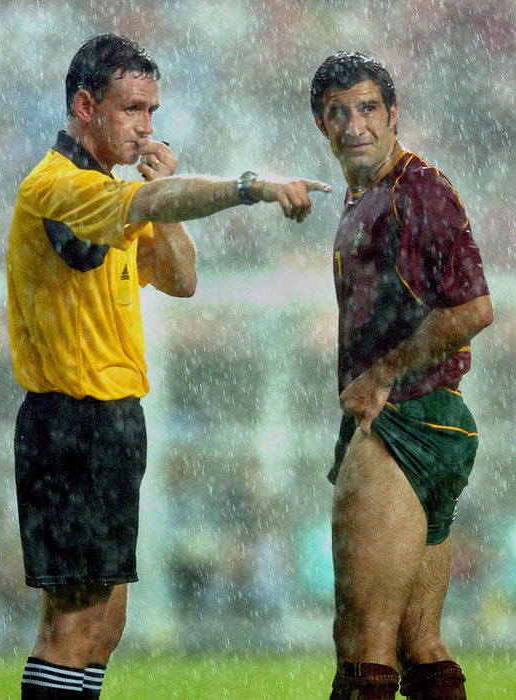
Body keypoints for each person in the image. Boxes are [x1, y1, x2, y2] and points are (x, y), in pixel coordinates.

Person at [7, 34, 331, 700]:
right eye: (132, 109)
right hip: (67, 421)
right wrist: (254, 186)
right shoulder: (57, 187)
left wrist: (162, 191)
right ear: (85, 105)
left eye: (152, 111)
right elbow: (151, 206)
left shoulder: (116, 191)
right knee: (72, 624)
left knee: (106, 623)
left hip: (113, 420)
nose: (147, 127)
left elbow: (182, 280)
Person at [310, 52, 493, 700]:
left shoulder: (417, 190)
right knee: (422, 649)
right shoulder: (370, 194)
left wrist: (384, 372)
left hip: (406, 418)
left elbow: (474, 309)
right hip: (432, 419)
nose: (354, 123)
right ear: (320, 122)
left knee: (363, 652)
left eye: (367, 108)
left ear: (392, 115)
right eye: (339, 111)